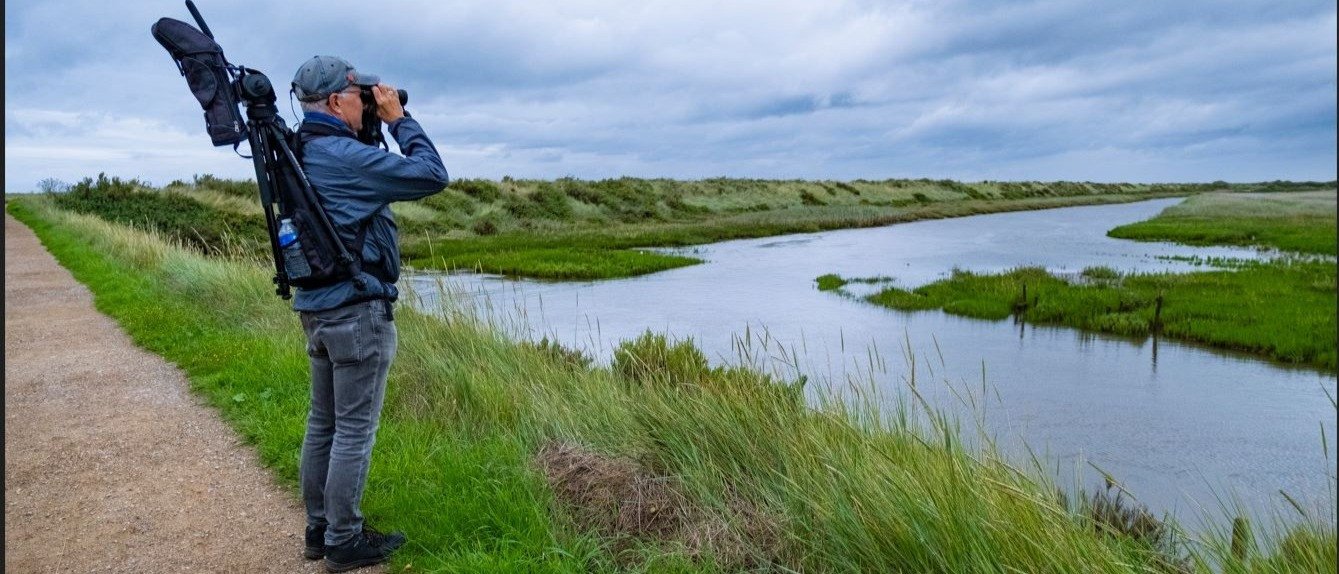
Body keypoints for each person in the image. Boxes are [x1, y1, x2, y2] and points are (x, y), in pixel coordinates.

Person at [288, 54, 448, 573]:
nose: (371, 104)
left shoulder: (299, 149)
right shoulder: (341, 155)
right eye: (363, 97)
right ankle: (344, 541)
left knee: (323, 424)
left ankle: (319, 529)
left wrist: (375, 121)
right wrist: (400, 120)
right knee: (354, 430)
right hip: (357, 311)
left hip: (316, 305)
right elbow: (430, 175)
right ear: (337, 101)